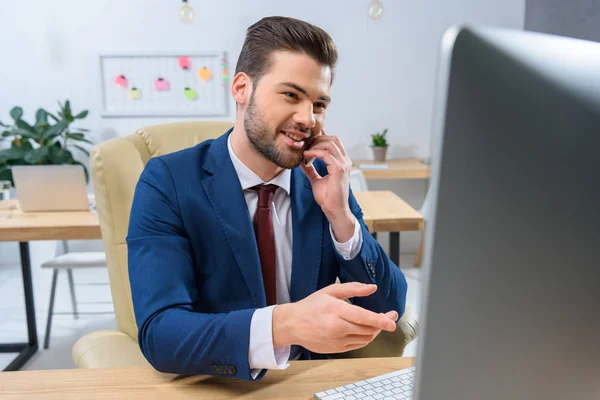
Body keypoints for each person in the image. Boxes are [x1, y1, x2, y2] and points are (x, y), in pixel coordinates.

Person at [127, 16, 407, 381]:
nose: (308, 119)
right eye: (291, 95)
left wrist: (342, 219)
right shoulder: (168, 182)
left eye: (319, 104)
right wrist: (284, 325)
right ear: (242, 88)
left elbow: (390, 308)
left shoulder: (323, 184)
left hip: (306, 383)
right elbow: (161, 334)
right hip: (219, 385)